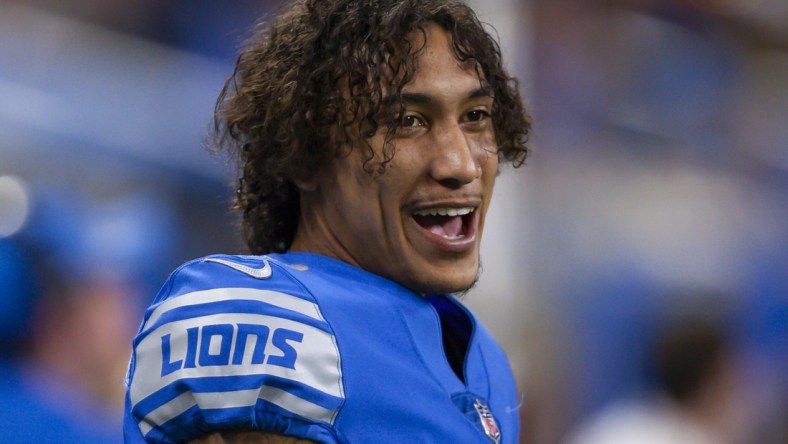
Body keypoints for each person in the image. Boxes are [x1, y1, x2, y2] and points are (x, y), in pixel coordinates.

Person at [123, 0, 531, 442]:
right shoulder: (271, 322)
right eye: (407, 121)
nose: (461, 164)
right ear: (306, 153)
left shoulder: (484, 360)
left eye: (475, 116)